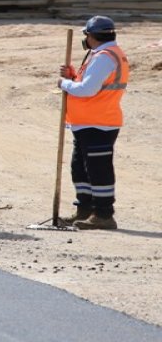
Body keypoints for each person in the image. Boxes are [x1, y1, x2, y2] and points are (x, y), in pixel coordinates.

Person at [57, 15, 129, 230]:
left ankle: (104, 215)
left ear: (91, 36)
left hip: (99, 123)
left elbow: (88, 89)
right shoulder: (100, 54)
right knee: (80, 168)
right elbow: (89, 83)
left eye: (86, 35)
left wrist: (64, 83)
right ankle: (85, 209)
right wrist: (72, 77)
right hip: (87, 122)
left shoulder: (105, 57)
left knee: (98, 170)